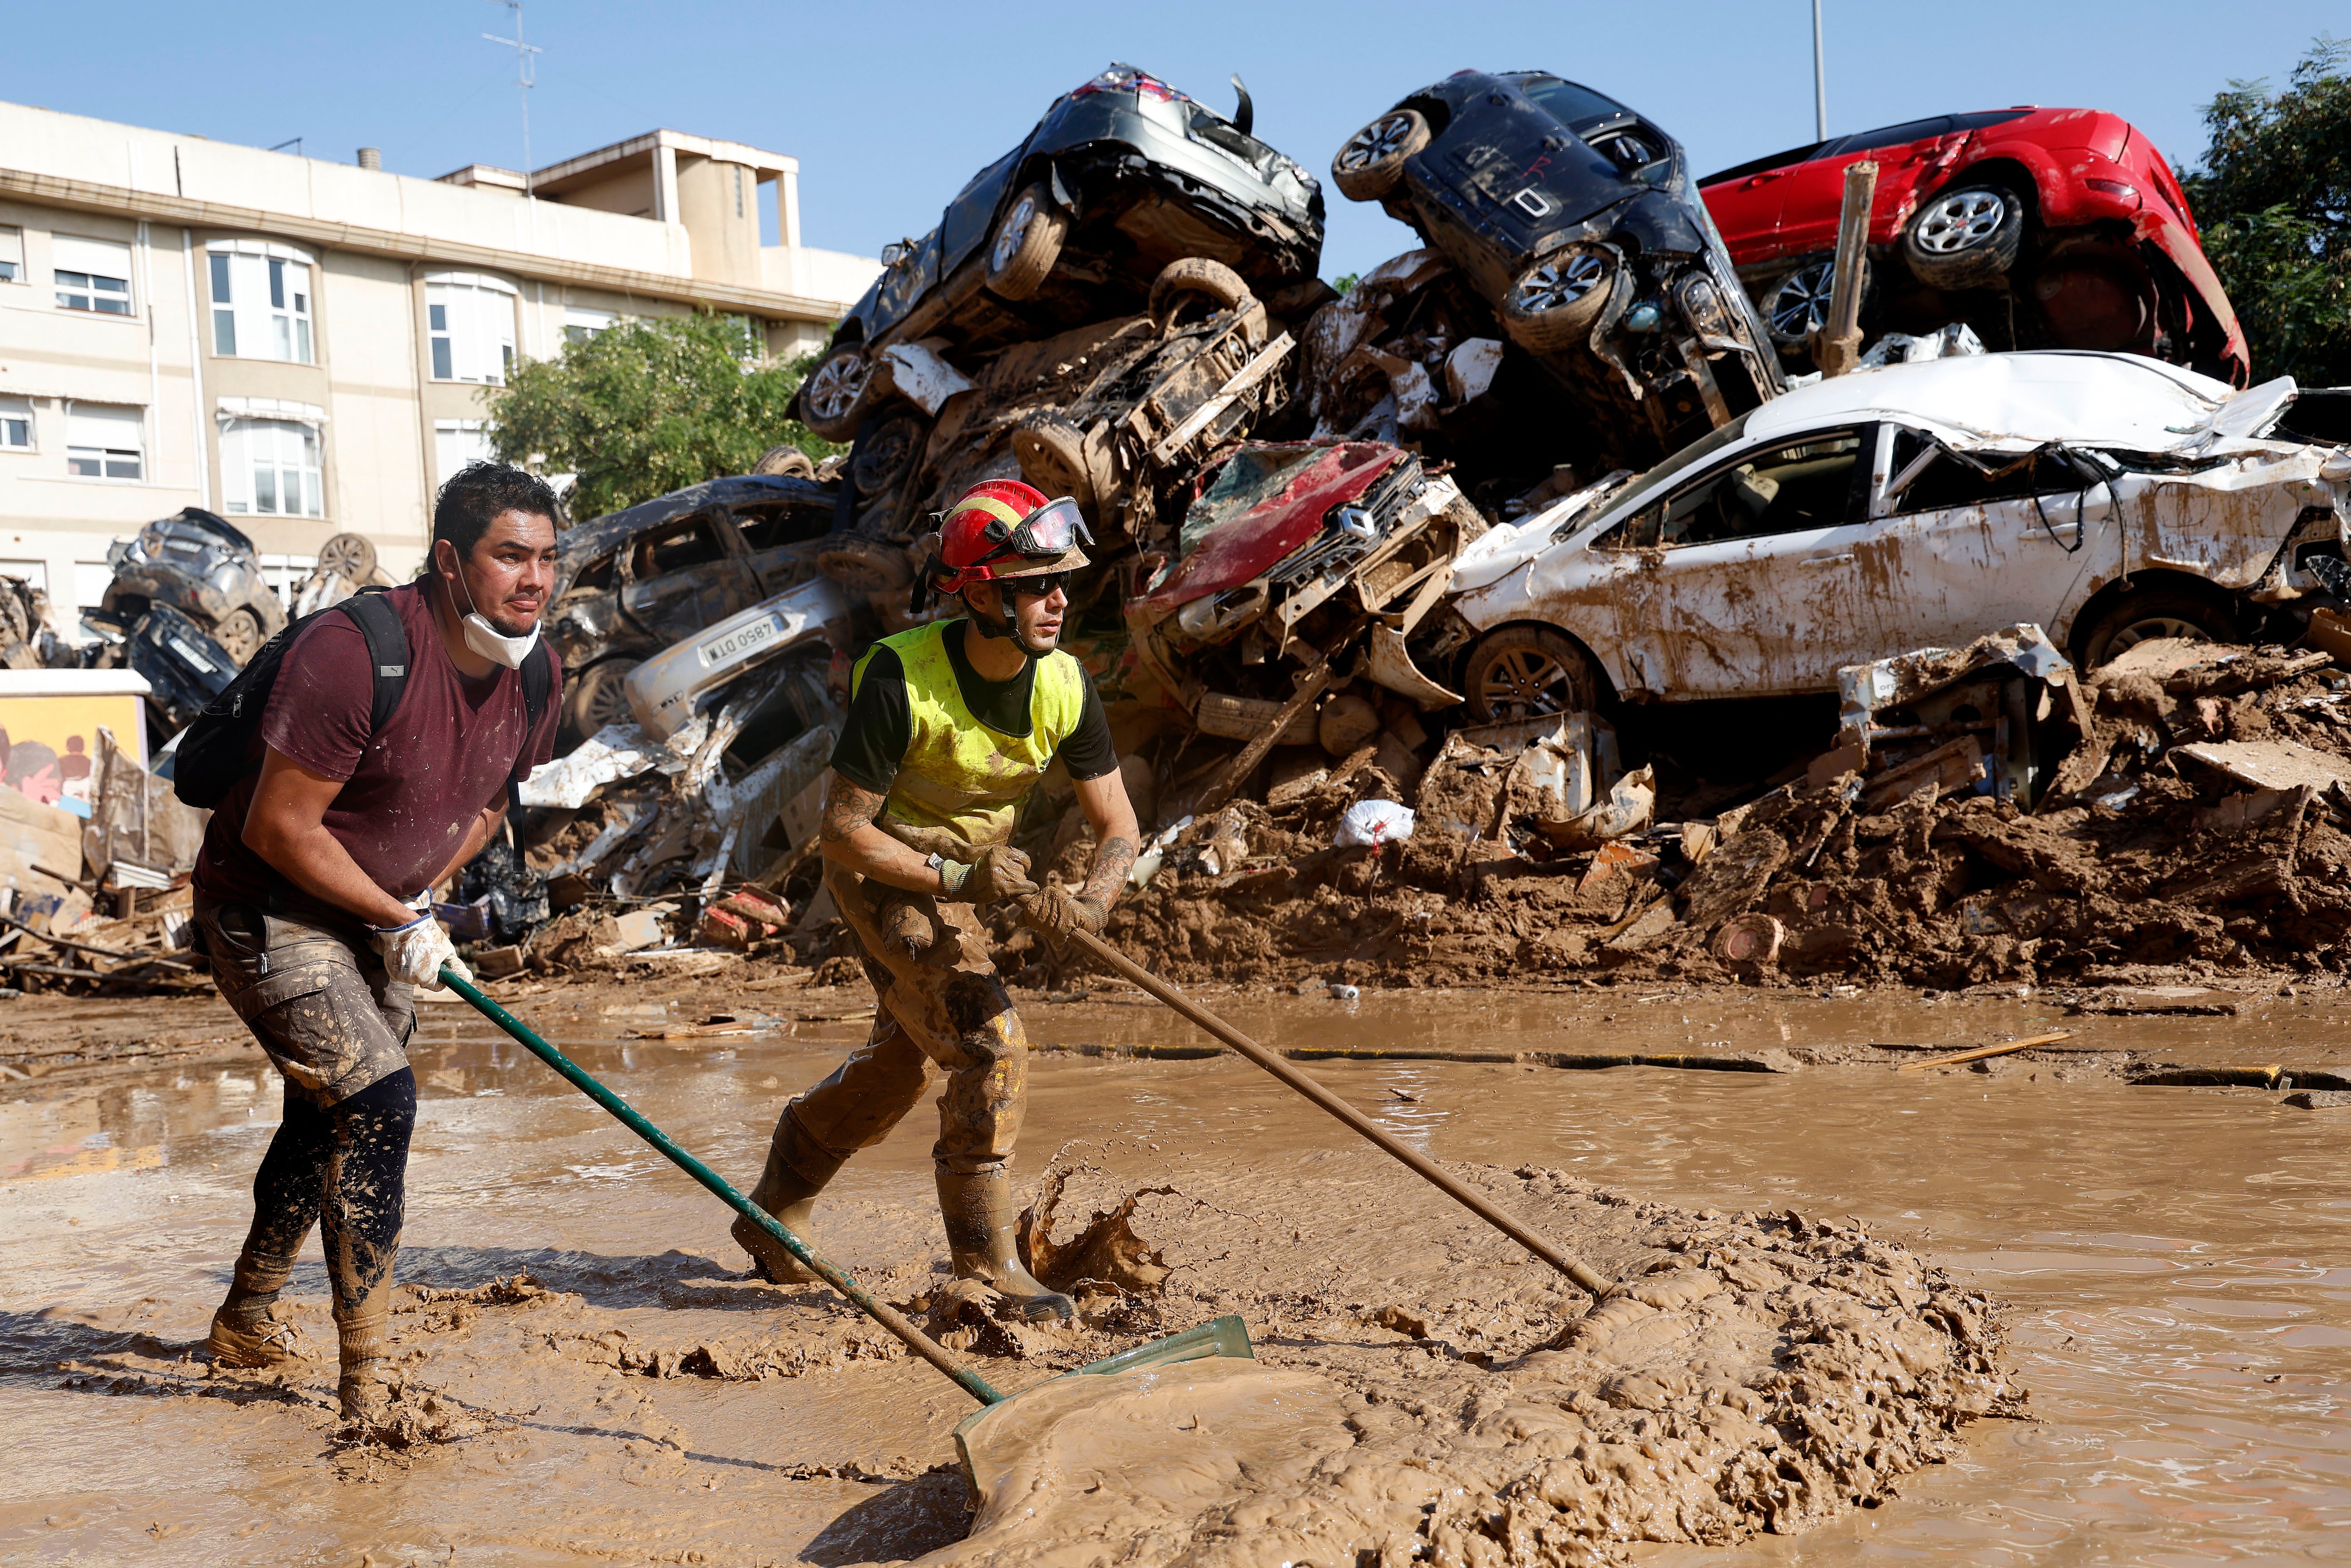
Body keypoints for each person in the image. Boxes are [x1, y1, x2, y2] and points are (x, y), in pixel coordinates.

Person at [192, 462, 562, 1427]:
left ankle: (246, 1318)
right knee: (380, 1100)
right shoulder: (356, 653)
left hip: (383, 911)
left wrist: (423, 896)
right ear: (450, 560)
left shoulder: (538, 671)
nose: (534, 580)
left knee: (329, 1117)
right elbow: (279, 825)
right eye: (509, 556)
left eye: (548, 560)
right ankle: (367, 1390)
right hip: (265, 904)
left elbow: (490, 799)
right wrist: (396, 916)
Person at [734, 478, 1139, 1321]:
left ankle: (778, 1204)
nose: (1059, 600)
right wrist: (956, 878)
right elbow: (841, 833)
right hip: (889, 882)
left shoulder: (1065, 684)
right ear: (982, 591)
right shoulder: (901, 675)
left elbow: (1118, 828)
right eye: (1038, 585)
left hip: (974, 879)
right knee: (991, 1046)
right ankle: (986, 1269)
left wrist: (1091, 905)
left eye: (1063, 581)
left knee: (905, 1058)